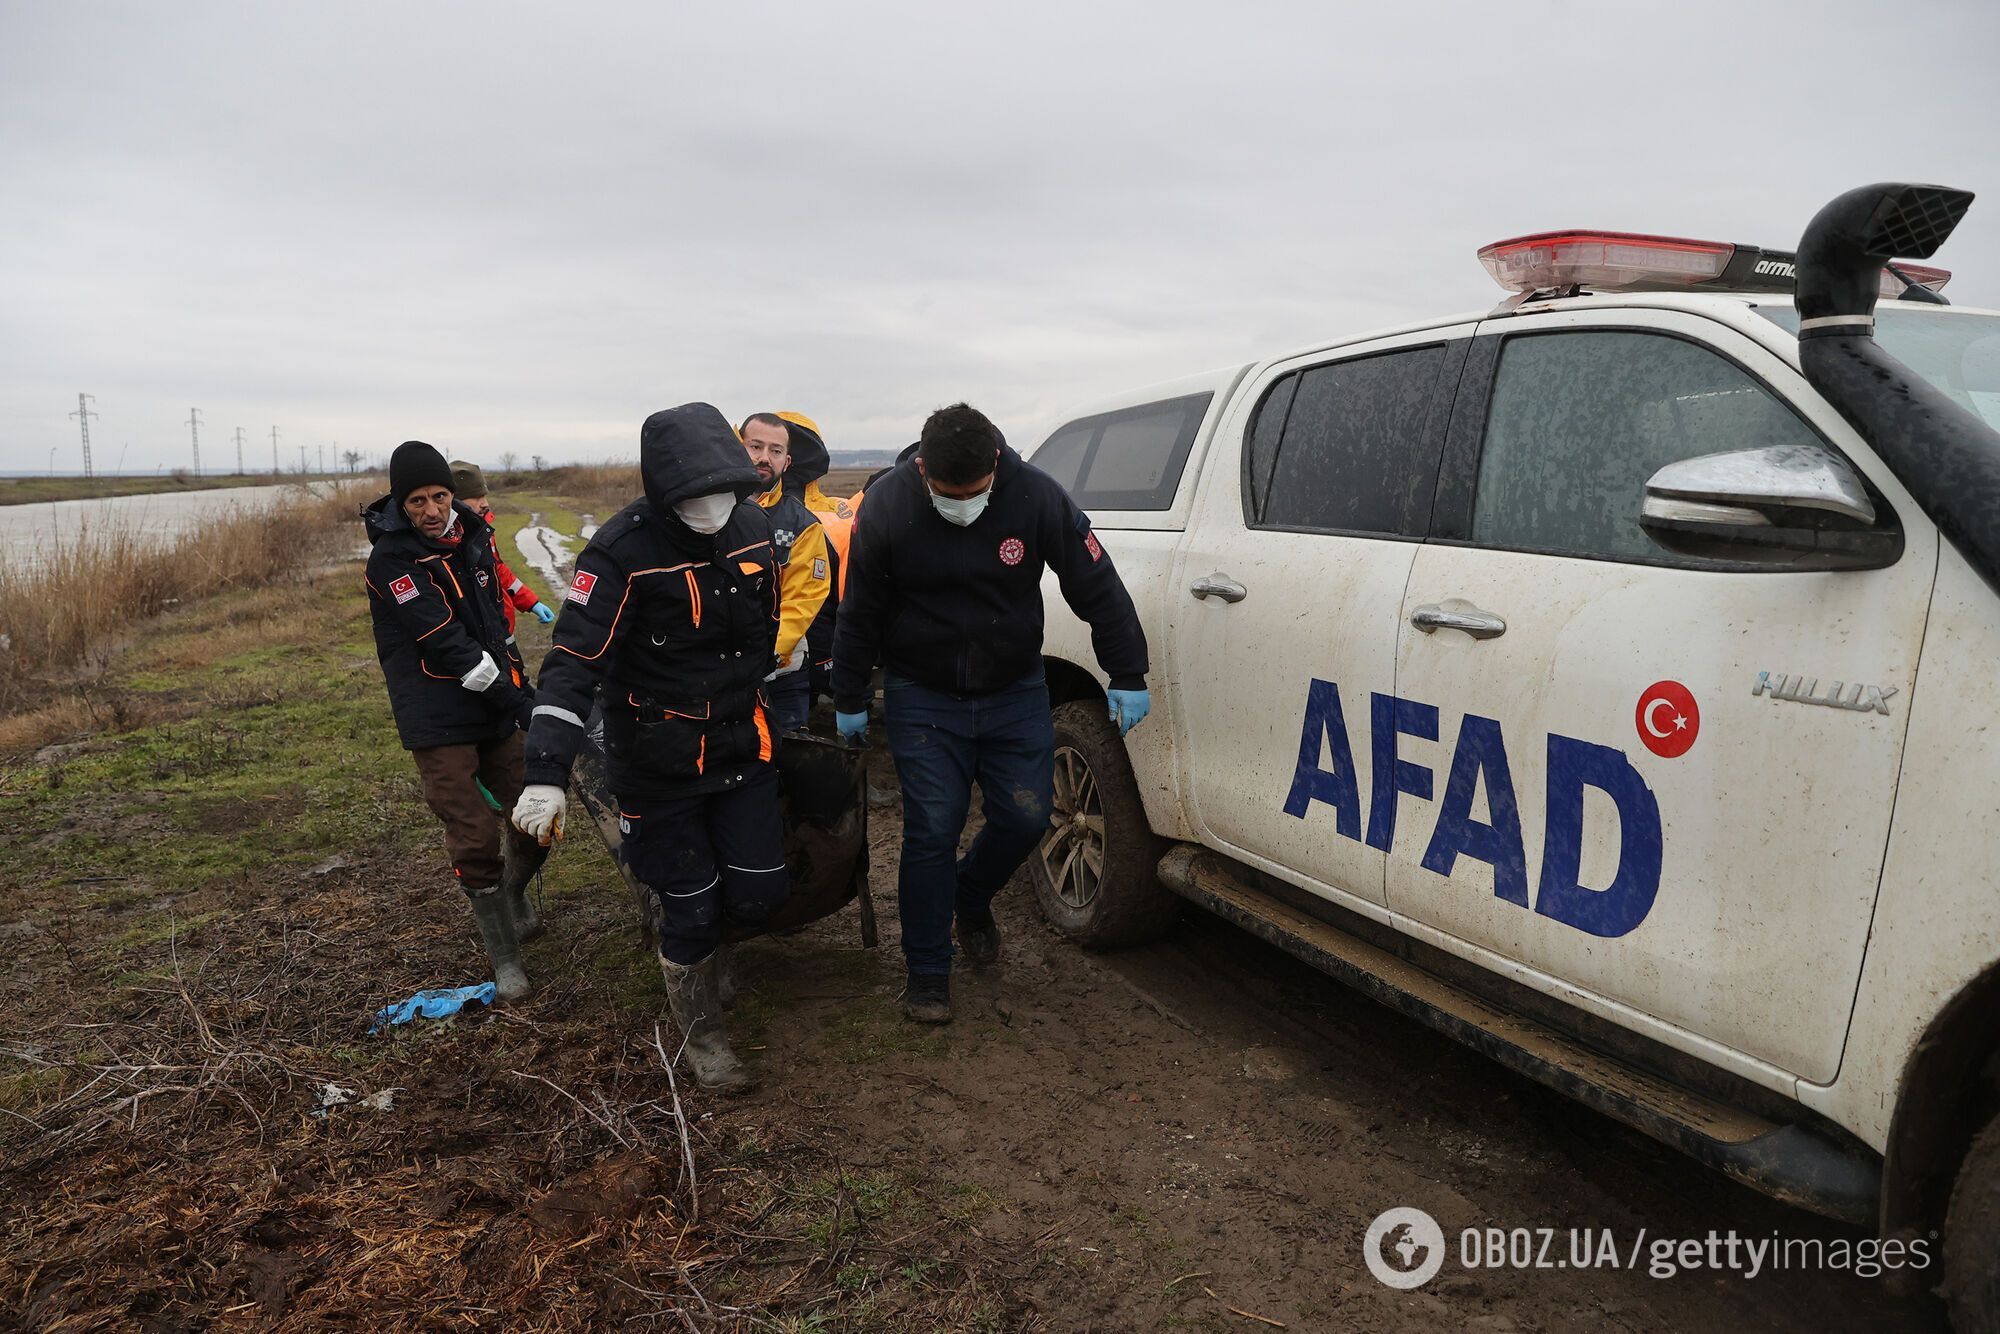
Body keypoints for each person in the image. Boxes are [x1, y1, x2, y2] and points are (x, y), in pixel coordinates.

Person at [831, 403, 1151, 1023]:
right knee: (932, 829)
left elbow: (1097, 585)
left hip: (1013, 689)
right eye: (947, 494)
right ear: (923, 469)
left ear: (995, 466)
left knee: (1028, 817)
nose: (962, 504)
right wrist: (847, 695)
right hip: (923, 694)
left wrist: (1128, 671)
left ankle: (970, 896)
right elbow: (860, 608)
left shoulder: (1036, 497)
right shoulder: (890, 506)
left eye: (974, 492)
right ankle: (927, 972)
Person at [512, 403, 788, 1093]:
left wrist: (782, 659)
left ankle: (716, 947)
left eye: (722, 493)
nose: (711, 510)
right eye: (696, 498)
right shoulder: (618, 554)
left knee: (760, 893)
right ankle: (703, 1032)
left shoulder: (752, 528)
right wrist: (546, 770)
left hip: (739, 745)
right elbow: (572, 661)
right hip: (658, 759)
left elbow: (769, 615)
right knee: (689, 901)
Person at [363, 440, 550, 1002]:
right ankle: (505, 959)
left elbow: (494, 625)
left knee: (534, 811)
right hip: (436, 712)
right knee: (473, 833)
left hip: (493, 704)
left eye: (440, 495)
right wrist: (519, 702)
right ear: (401, 502)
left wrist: (522, 687)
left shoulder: (474, 534)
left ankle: (514, 893)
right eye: (417, 499)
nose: (431, 509)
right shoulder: (390, 561)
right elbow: (446, 641)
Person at [739, 413, 831, 733]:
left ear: (787, 461)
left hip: (783, 674)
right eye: (756, 446)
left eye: (775, 451)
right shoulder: (711, 513)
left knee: (789, 765)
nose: (765, 457)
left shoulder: (803, 525)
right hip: (715, 672)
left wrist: (762, 656)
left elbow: (803, 600)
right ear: (738, 448)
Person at [448, 460, 557, 634]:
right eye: (476, 497)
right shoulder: (448, 543)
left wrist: (531, 603)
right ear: (454, 501)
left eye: (484, 495)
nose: (485, 503)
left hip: (503, 628)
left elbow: (498, 570)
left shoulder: (482, 529)